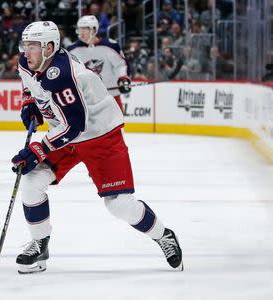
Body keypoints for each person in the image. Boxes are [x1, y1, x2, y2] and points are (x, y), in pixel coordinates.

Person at [12, 21, 183, 274]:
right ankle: (40, 245)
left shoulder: (65, 76)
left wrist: (38, 150)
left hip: (99, 133)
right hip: (65, 132)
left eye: (33, 46)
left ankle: (163, 235)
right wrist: (29, 104)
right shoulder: (28, 61)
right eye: (25, 45)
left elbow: (76, 126)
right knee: (31, 181)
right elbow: (28, 84)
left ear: (49, 47)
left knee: (119, 204)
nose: (27, 52)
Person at [67, 15, 131, 111]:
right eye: (79, 29)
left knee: (116, 125)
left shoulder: (110, 45)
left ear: (93, 30)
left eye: (84, 29)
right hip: (87, 97)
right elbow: (69, 71)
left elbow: (121, 65)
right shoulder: (72, 50)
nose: (80, 33)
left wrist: (123, 79)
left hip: (111, 95)